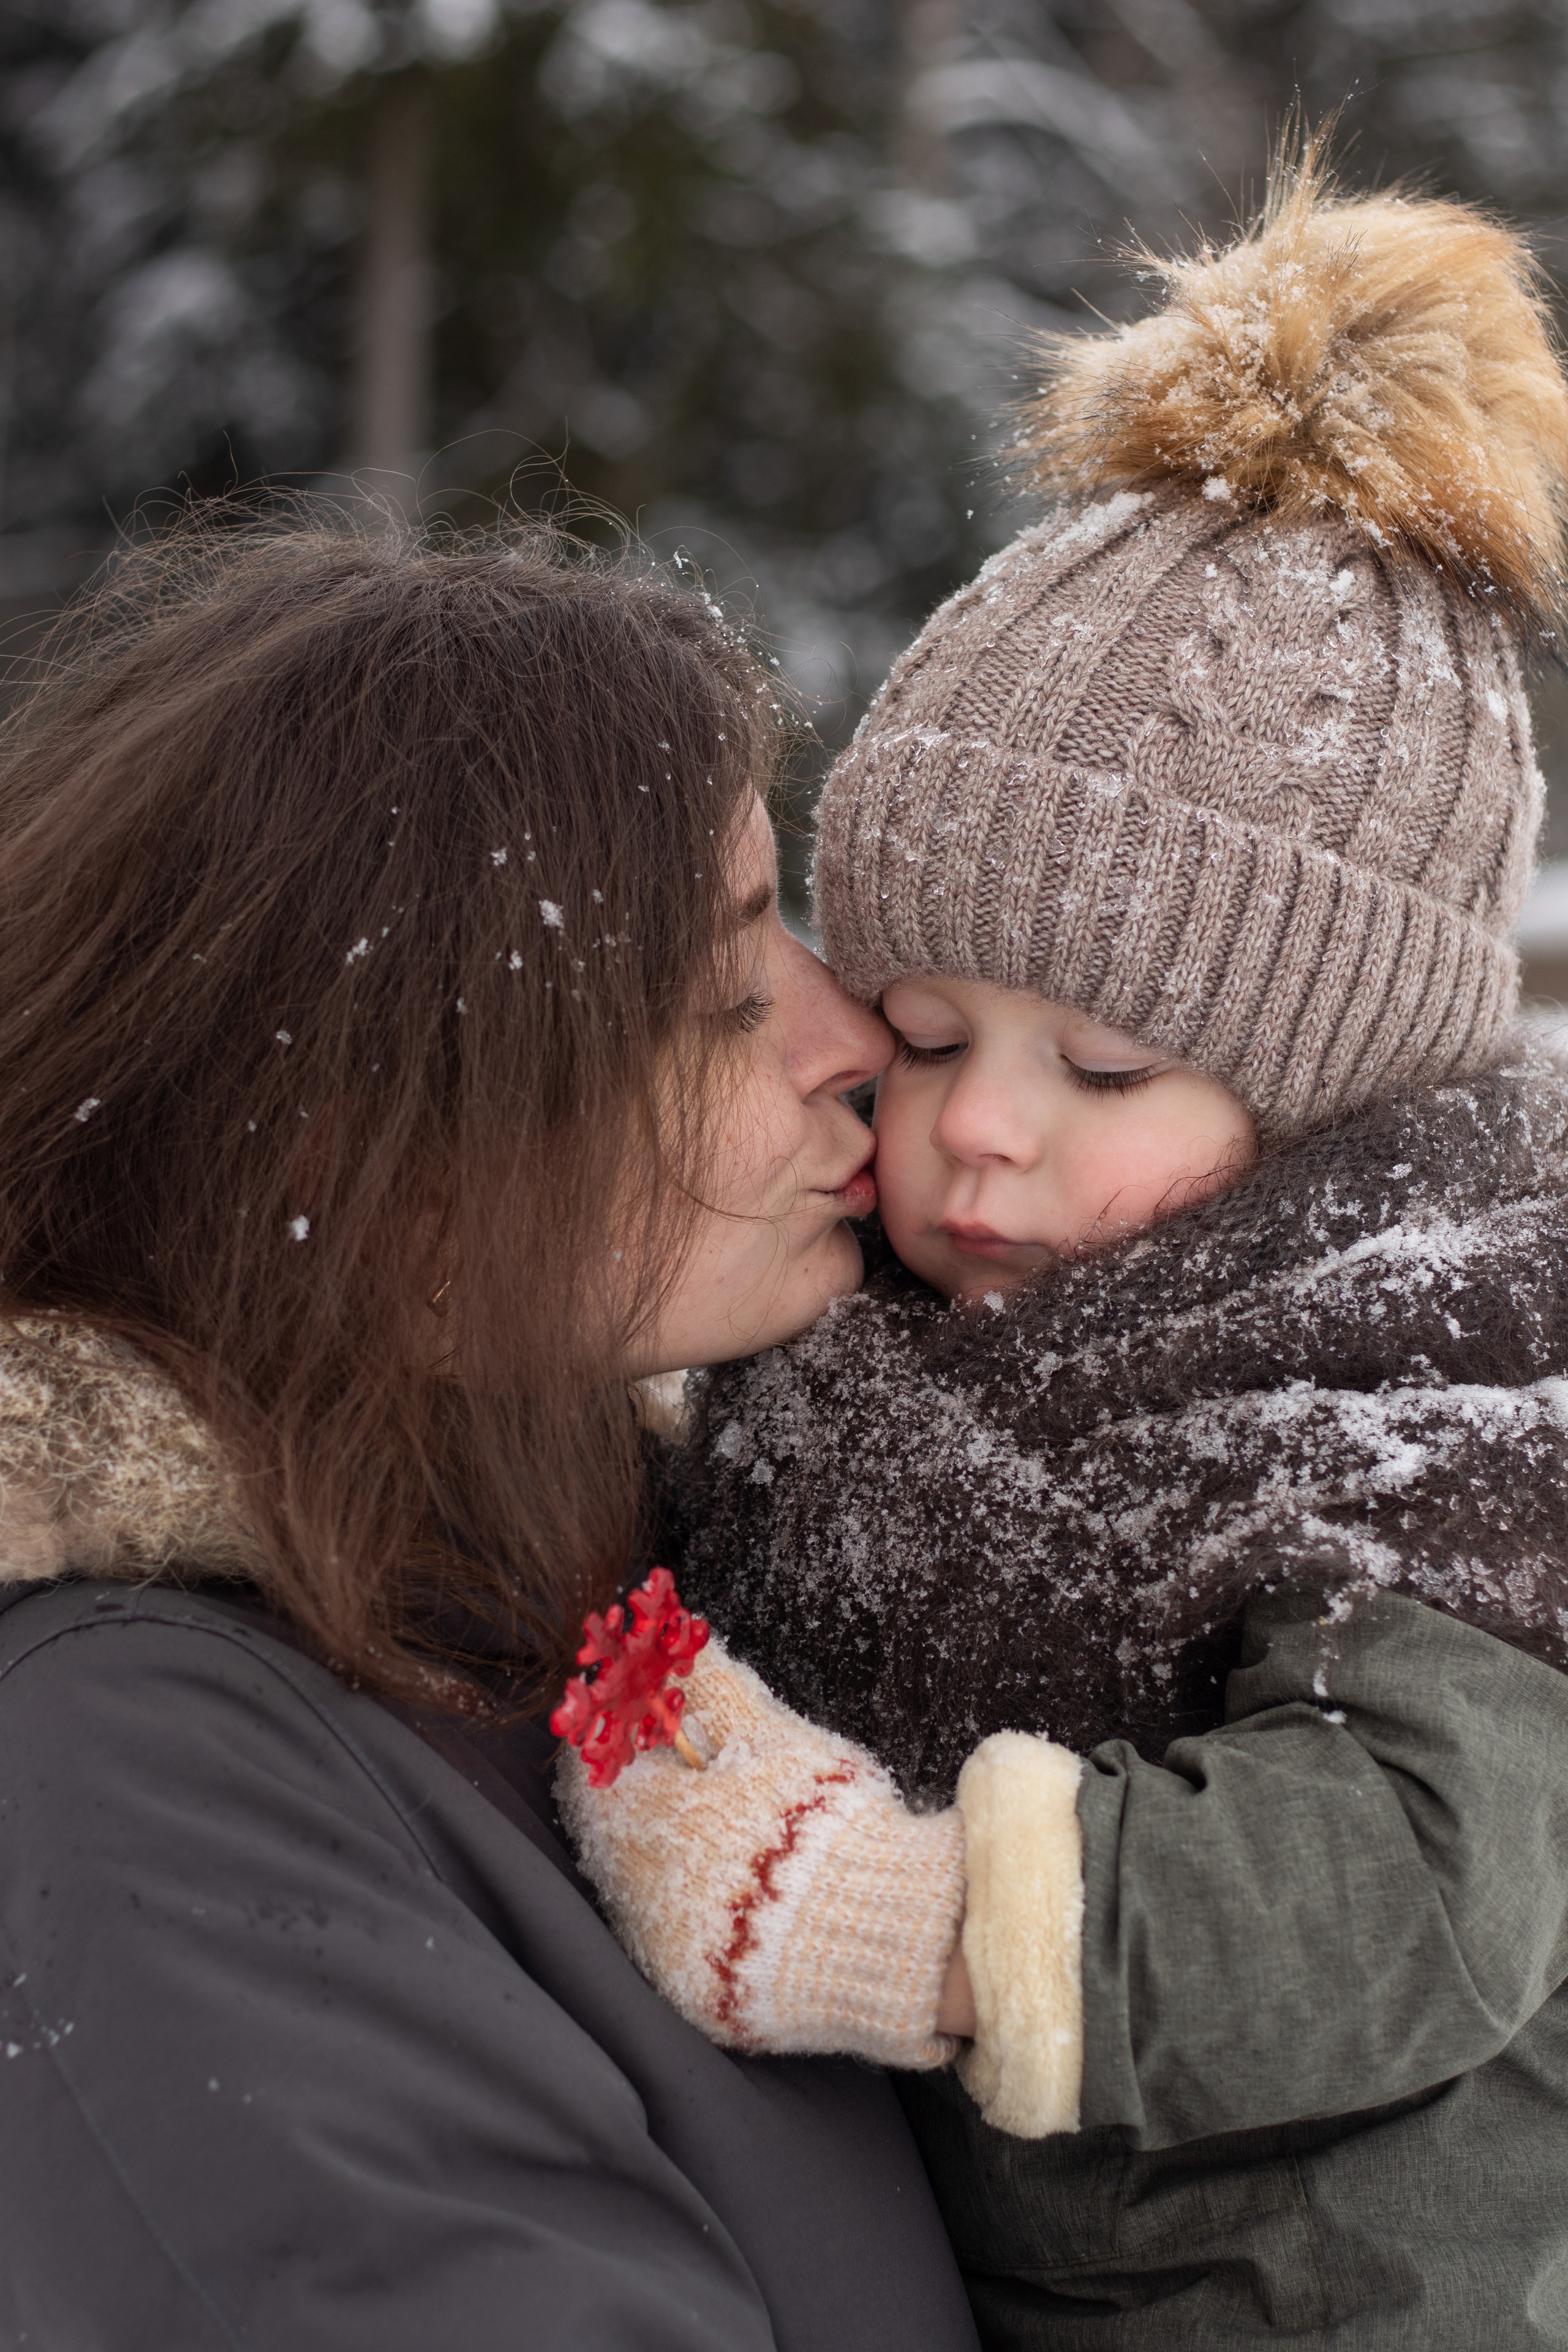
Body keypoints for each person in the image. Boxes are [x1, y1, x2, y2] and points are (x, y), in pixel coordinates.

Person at [563, 155, 1568, 2346]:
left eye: (1106, 1068)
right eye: (928, 1033)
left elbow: (1418, 1881)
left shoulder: (1431, 1415)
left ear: (1323, 1114)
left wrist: (911, 1924)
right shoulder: (881, 1311)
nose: (980, 1126)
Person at [0, 511, 984, 2351]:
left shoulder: (586, 1565)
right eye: (724, 993)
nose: (853, 1033)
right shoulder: (126, 1783)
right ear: (401, 1182)